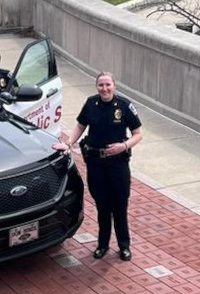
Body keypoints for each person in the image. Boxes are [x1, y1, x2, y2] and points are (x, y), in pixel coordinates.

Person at [52, 72, 143, 261]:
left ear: (114, 86)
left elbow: (137, 134)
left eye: (108, 84)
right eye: (101, 85)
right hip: (96, 163)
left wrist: (123, 146)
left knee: (119, 205)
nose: (104, 88)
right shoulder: (91, 104)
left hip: (118, 164)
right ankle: (102, 244)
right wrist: (68, 143)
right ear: (97, 87)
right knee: (102, 206)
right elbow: (80, 126)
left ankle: (124, 246)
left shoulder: (125, 106)